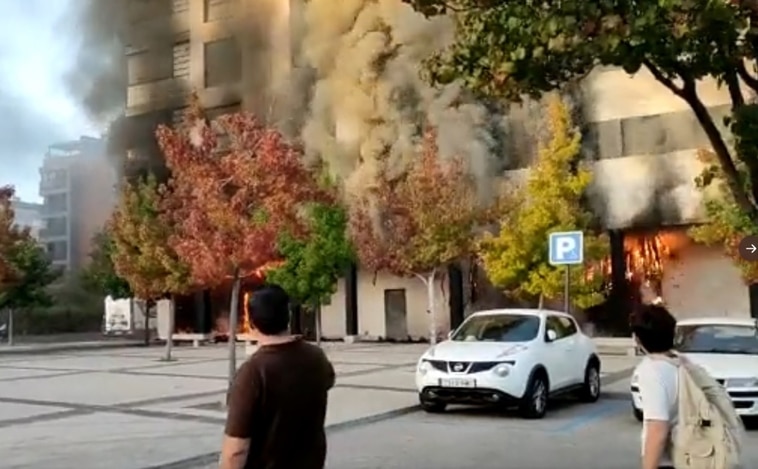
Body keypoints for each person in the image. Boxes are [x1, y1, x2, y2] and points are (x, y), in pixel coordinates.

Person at [219, 285, 335, 469]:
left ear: (251, 322)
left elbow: (236, 451)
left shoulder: (253, 373)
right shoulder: (317, 357)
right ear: (288, 317)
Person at [630, 304, 678, 469]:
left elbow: (657, 429)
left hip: (668, 462)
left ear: (638, 339)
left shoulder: (651, 370)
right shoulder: (681, 362)